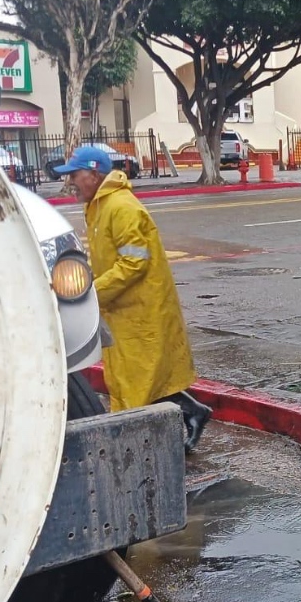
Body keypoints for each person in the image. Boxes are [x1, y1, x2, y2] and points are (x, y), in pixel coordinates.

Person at [55, 146, 213, 454]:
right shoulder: (100, 206)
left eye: (75, 175)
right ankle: (191, 414)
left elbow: (134, 263)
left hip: (140, 310)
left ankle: (136, 449)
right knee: (137, 380)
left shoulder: (122, 208)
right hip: (123, 310)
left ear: (94, 173)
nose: (71, 181)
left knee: (136, 381)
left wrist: (91, 291)